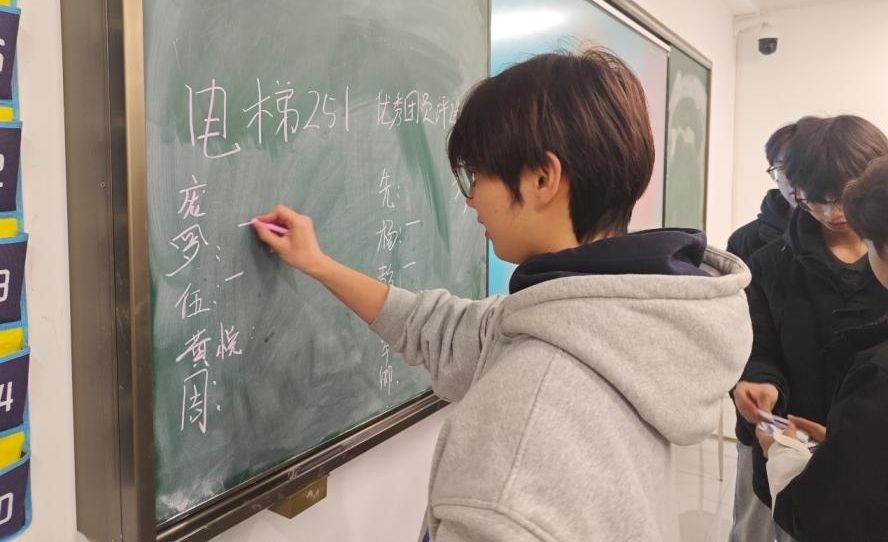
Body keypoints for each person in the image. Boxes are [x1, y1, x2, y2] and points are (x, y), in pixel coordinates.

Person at [254, 49, 752, 542]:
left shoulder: (524, 419)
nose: (471, 198)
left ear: (542, 179)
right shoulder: (617, 323)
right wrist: (318, 264)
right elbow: (442, 329)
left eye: (477, 175)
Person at [733, 115, 888, 536]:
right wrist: (763, 383)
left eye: (843, 198)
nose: (831, 213)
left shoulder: (882, 264)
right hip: (792, 447)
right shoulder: (769, 266)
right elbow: (757, 346)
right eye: (816, 200)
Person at [727, 121, 799, 542]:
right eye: (782, 168)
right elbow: (735, 329)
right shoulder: (747, 242)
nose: (794, 182)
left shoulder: (854, 237)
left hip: (818, 418)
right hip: (761, 412)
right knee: (752, 523)